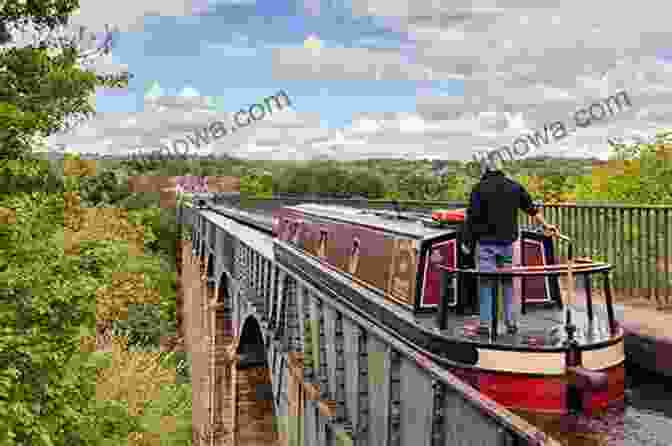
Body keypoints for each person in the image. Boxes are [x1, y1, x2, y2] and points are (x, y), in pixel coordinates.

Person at [462, 155, 559, 336]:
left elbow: (472, 219)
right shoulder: (514, 187)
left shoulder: (479, 189)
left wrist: (467, 243)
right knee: (507, 283)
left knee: (486, 284)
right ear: (501, 168)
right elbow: (531, 209)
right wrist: (547, 226)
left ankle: (485, 324)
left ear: (485, 170)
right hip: (507, 244)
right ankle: (511, 323)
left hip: (486, 246)